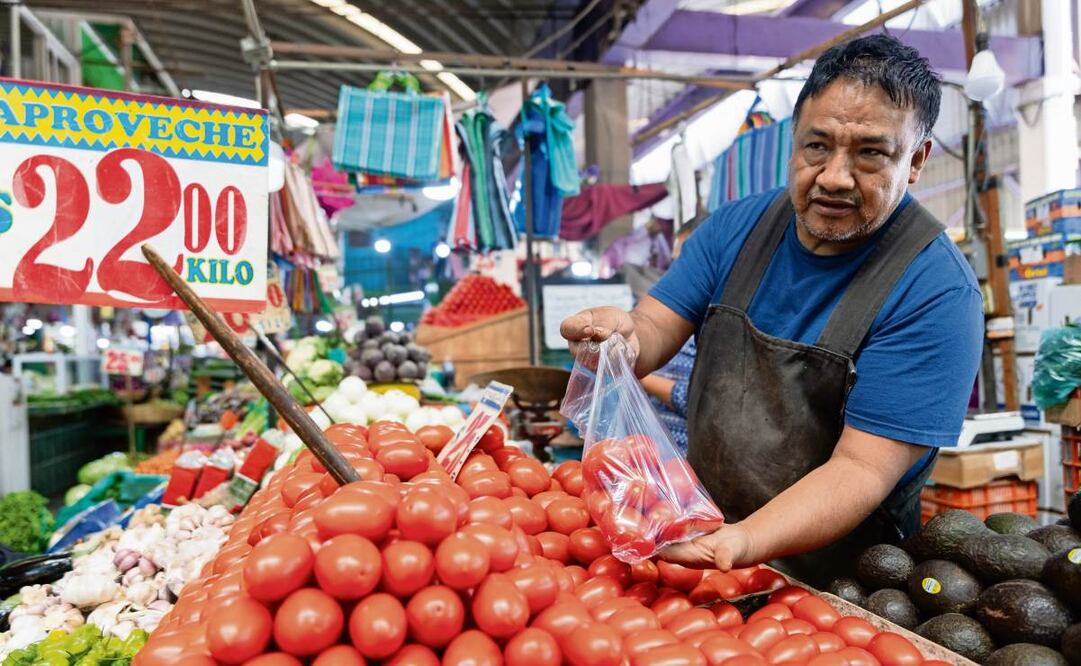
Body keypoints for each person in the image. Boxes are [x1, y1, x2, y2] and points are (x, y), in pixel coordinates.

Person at [560, 35, 983, 585]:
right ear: (794, 140)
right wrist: (622, 337)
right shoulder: (736, 229)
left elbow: (862, 467)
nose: (834, 177)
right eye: (817, 146)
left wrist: (743, 540)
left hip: (843, 583)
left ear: (917, 160)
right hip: (707, 540)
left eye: (870, 154)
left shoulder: (936, 291)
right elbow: (656, 324)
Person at [640, 217, 705, 454]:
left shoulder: (720, 328)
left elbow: (703, 405)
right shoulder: (669, 317)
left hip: (689, 466)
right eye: (676, 263)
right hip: (652, 459)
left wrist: (644, 380)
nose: (679, 273)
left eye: (687, 262)